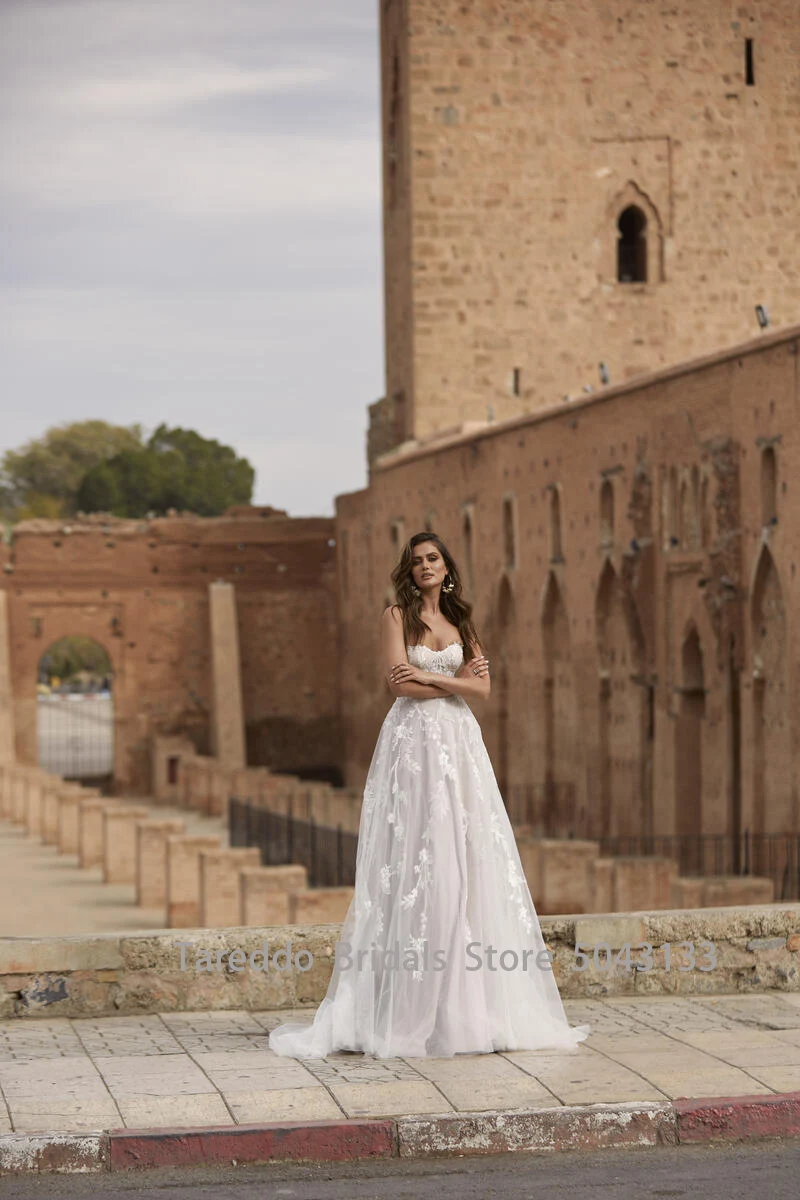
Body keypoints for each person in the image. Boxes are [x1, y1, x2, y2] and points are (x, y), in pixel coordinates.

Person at [269, 531, 589, 1059]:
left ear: (446, 567)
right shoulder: (396, 616)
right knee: (421, 861)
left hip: (459, 745)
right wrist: (445, 680)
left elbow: (483, 689)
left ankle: (466, 1008)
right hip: (413, 745)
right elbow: (398, 686)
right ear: (409, 569)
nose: (425, 566)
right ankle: (408, 1006)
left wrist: (431, 677)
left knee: (467, 860)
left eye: (433, 558)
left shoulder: (463, 622)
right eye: (417, 560)